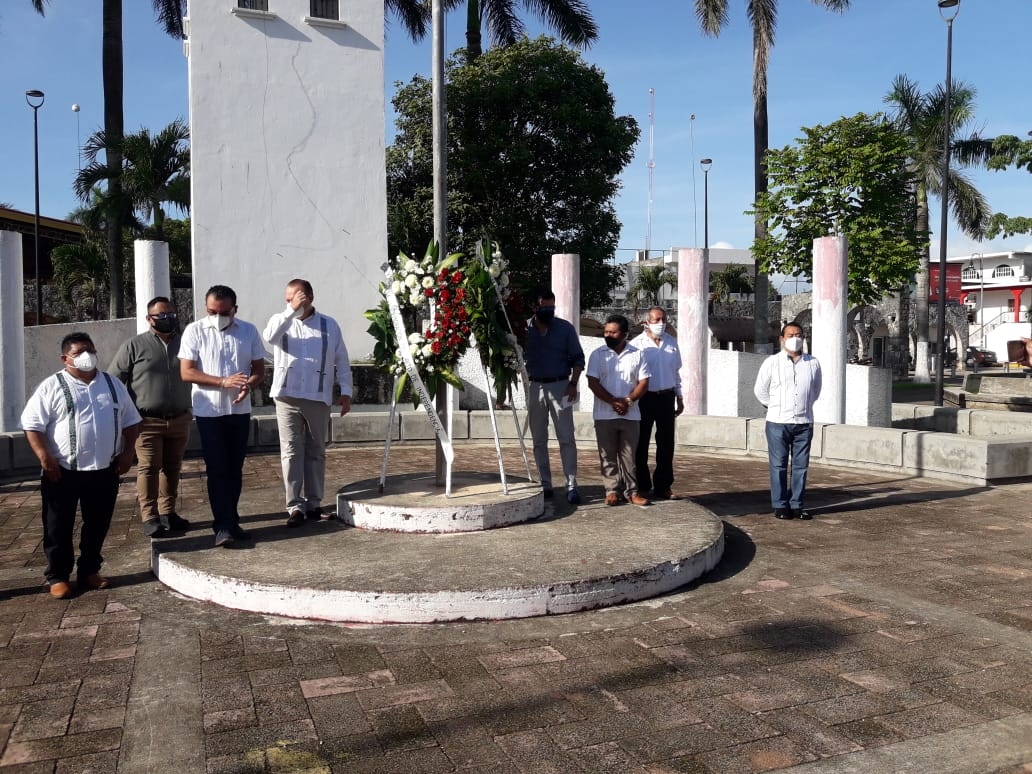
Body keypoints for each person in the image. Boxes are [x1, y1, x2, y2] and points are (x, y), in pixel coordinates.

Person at [21, 332, 142, 599]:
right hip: (62, 471)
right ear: (65, 359)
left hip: (104, 469)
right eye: (78, 353)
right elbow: (32, 425)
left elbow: (132, 421)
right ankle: (58, 576)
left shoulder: (112, 384)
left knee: (98, 523)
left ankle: (89, 570)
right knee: (57, 526)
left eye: (89, 350)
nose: (86, 356)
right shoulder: (52, 386)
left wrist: (126, 454)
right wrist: (45, 458)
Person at [179, 285, 267, 547]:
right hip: (210, 412)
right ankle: (222, 526)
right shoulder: (195, 331)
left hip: (239, 411)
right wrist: (223, 382)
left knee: (235, 469)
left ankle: (232, 520)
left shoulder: (248, 331)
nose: (217, 316)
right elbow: (187, 372)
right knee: (217, 468)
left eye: (223, 312)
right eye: (211, 311)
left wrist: (247, 386)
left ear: (234, 310)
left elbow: (259, 370)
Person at [263, 279, 352, 527]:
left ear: (309, 297)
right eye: (287, 297)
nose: (288, 301)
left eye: (294, 297)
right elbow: (269, 337)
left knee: (316, 451)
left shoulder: (329, 324)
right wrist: (290, 311)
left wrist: (346, 391)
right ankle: (294, 505)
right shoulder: (281, 321)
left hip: (318, 396)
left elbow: (341, 359)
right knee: (291, 450)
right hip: (286, 396)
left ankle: (314, 504)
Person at [109, 296, 193, 538]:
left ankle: (168, 512)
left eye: (171, 315)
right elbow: (114, 381)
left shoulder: (185, 342)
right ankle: (150, 516)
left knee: (173, 467)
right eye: (161, 316)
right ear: (149, 319)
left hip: (179, 418)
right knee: (148, 467)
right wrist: (127, 415)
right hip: (147, 422)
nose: (168, 320)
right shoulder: (134, 346)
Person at [753, 322, 822, 520]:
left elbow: (815, 391)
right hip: (777, 422)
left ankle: (797, 504)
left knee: (801, 466)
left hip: (803, 423)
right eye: (790, 335)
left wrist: (802, 408)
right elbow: (760, 391)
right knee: (779, 465)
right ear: (782, 339)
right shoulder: (772, 363)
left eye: (798, 334)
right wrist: (775, 406)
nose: (795, 338)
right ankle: (780, 505)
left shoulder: (813, 363)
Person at [523, 289, 585, 504]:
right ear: (535, 307)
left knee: (566, 438)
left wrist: (573, 384)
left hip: (561, 385)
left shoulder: (565, 328)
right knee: (539, 440)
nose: (548, 310)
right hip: (535, 386)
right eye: (544, 307)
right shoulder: (524, 329)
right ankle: (545, 483)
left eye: (552, 307)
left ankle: (571, 484)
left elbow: (578, 359)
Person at [586, 314, 652, 507]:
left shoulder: (637, 354)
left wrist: (628, 401)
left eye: (613, 332)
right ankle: (612, 490)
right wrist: (613, 401)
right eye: (606, 332)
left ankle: (632, 491)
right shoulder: (597, 354)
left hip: (630, 414)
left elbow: (644, 382)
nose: (608, 335)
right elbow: (592, 382)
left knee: (630, 456)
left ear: (624, 334)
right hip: (604, 414)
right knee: (607, 454)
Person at [631, 306, 684, 500]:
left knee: (666, 444)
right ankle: (642, 485)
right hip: (645, 398)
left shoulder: (671, 343)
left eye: (664, 320)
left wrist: (679, 396)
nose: (661, 323)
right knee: (641, 443)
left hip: (667, 396)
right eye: (657, 320)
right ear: (647, 322)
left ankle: (663, 486)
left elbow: (676, 371)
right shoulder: (637, 345)